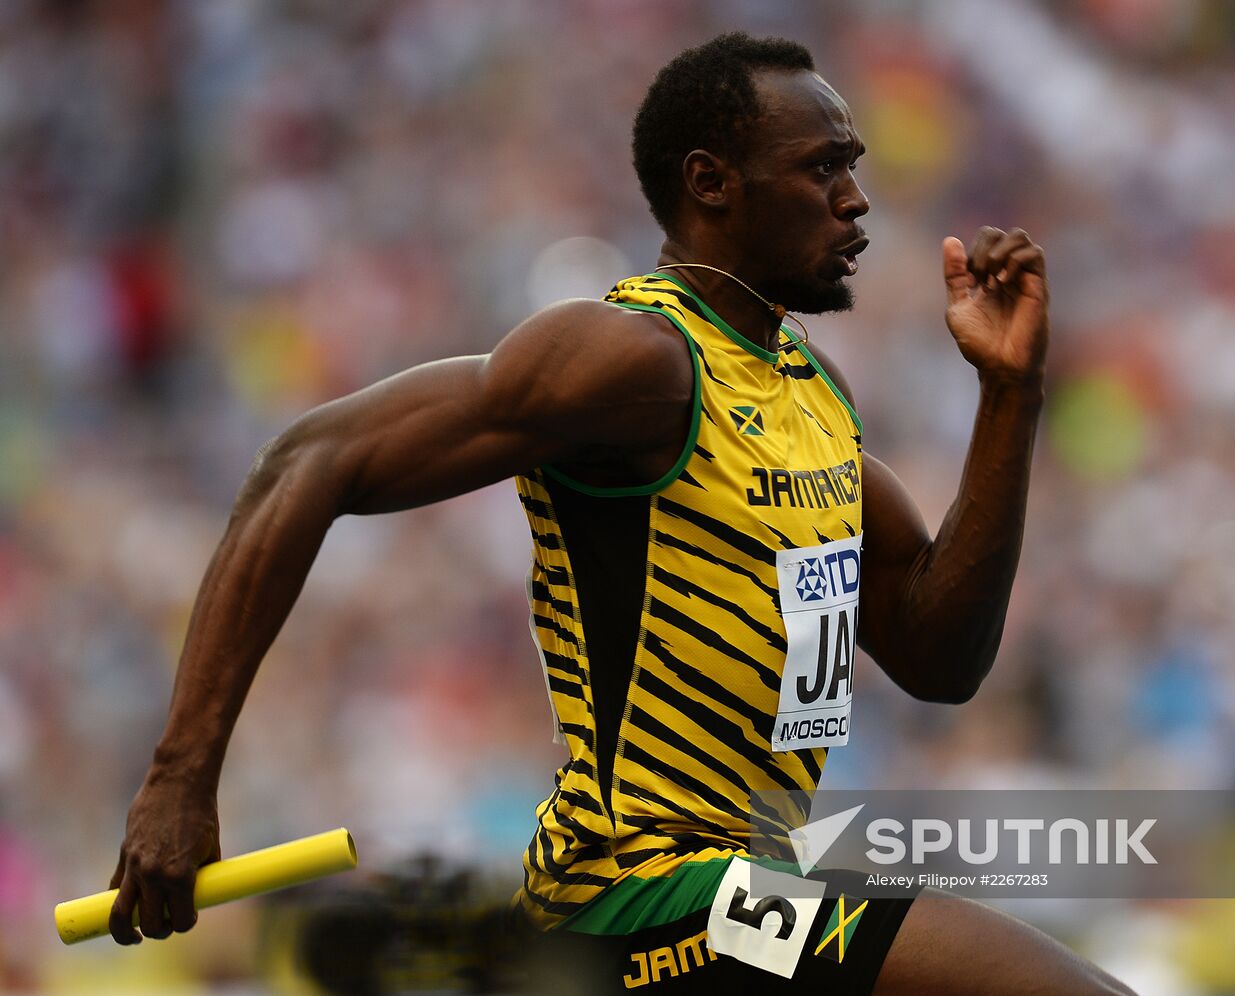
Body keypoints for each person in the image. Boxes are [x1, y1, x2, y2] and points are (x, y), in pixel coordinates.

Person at [108, 31, 1132, 995]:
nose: (856, 201)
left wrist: (1009, 397)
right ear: (709, 183)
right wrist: (178, 779)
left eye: (852, 165)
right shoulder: (632, 359)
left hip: (753, 878)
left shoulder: (805, 388)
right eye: (822, 169)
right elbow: (307, 459)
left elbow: (938, 658)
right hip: (648, 893)